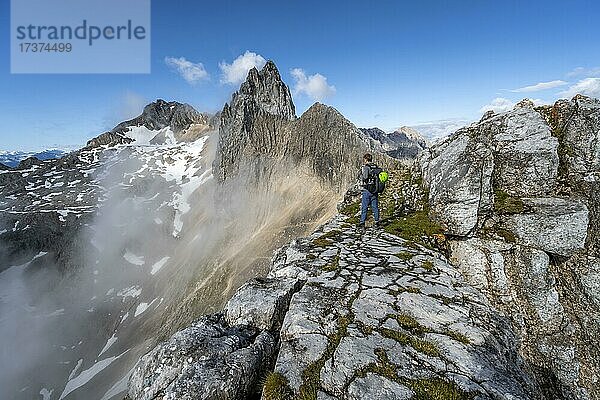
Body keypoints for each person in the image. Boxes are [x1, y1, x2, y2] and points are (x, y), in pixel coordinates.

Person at [359, 153, 380, 232]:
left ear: (366, 159)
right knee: (375, 207)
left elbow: (365, 177)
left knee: (364, 208)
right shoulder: (375, 166)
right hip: (375, 190)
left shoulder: (366, 167)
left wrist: (361, 174)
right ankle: (377, 223)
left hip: (367, 190)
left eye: (364, 159)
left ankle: (362, 224)